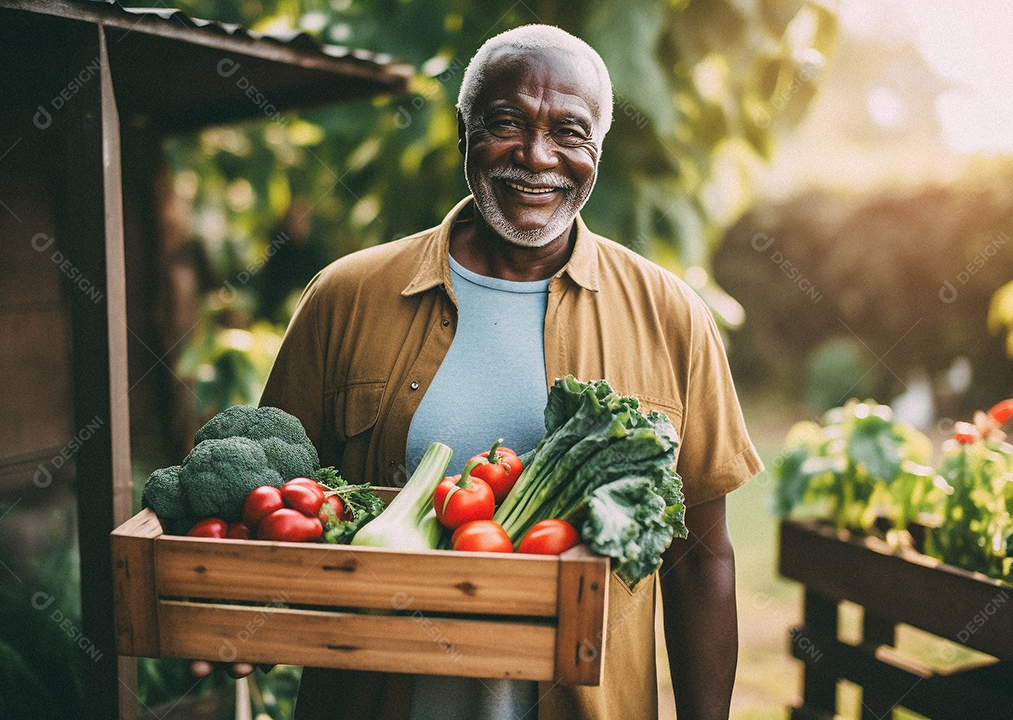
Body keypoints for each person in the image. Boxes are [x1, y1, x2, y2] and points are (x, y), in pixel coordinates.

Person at [259, 23, 762, 720]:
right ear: (464, 129)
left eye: (570, 132)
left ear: (598, 149)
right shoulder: (344, 298)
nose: (537, 155)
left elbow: (702, 559)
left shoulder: (672, 317)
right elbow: (273, 504)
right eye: (506, 123)